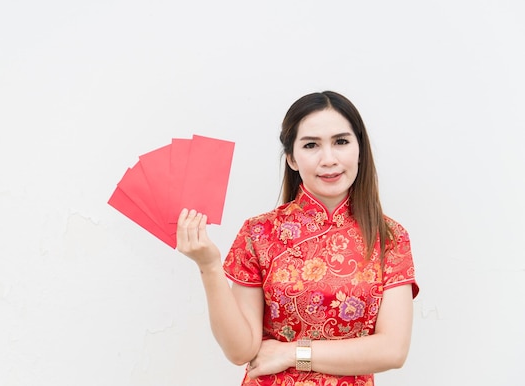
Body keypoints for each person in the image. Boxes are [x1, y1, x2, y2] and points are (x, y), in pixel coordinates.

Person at [176, 90, 419, 385]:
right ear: (291, 157)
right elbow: (241, 350)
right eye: (311, 145)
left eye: (341, 142)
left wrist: (292, 353)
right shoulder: (260, 233)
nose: (328, 159)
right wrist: (209, 267)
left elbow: (392, 350)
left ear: (360, 149)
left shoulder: (389, 237)